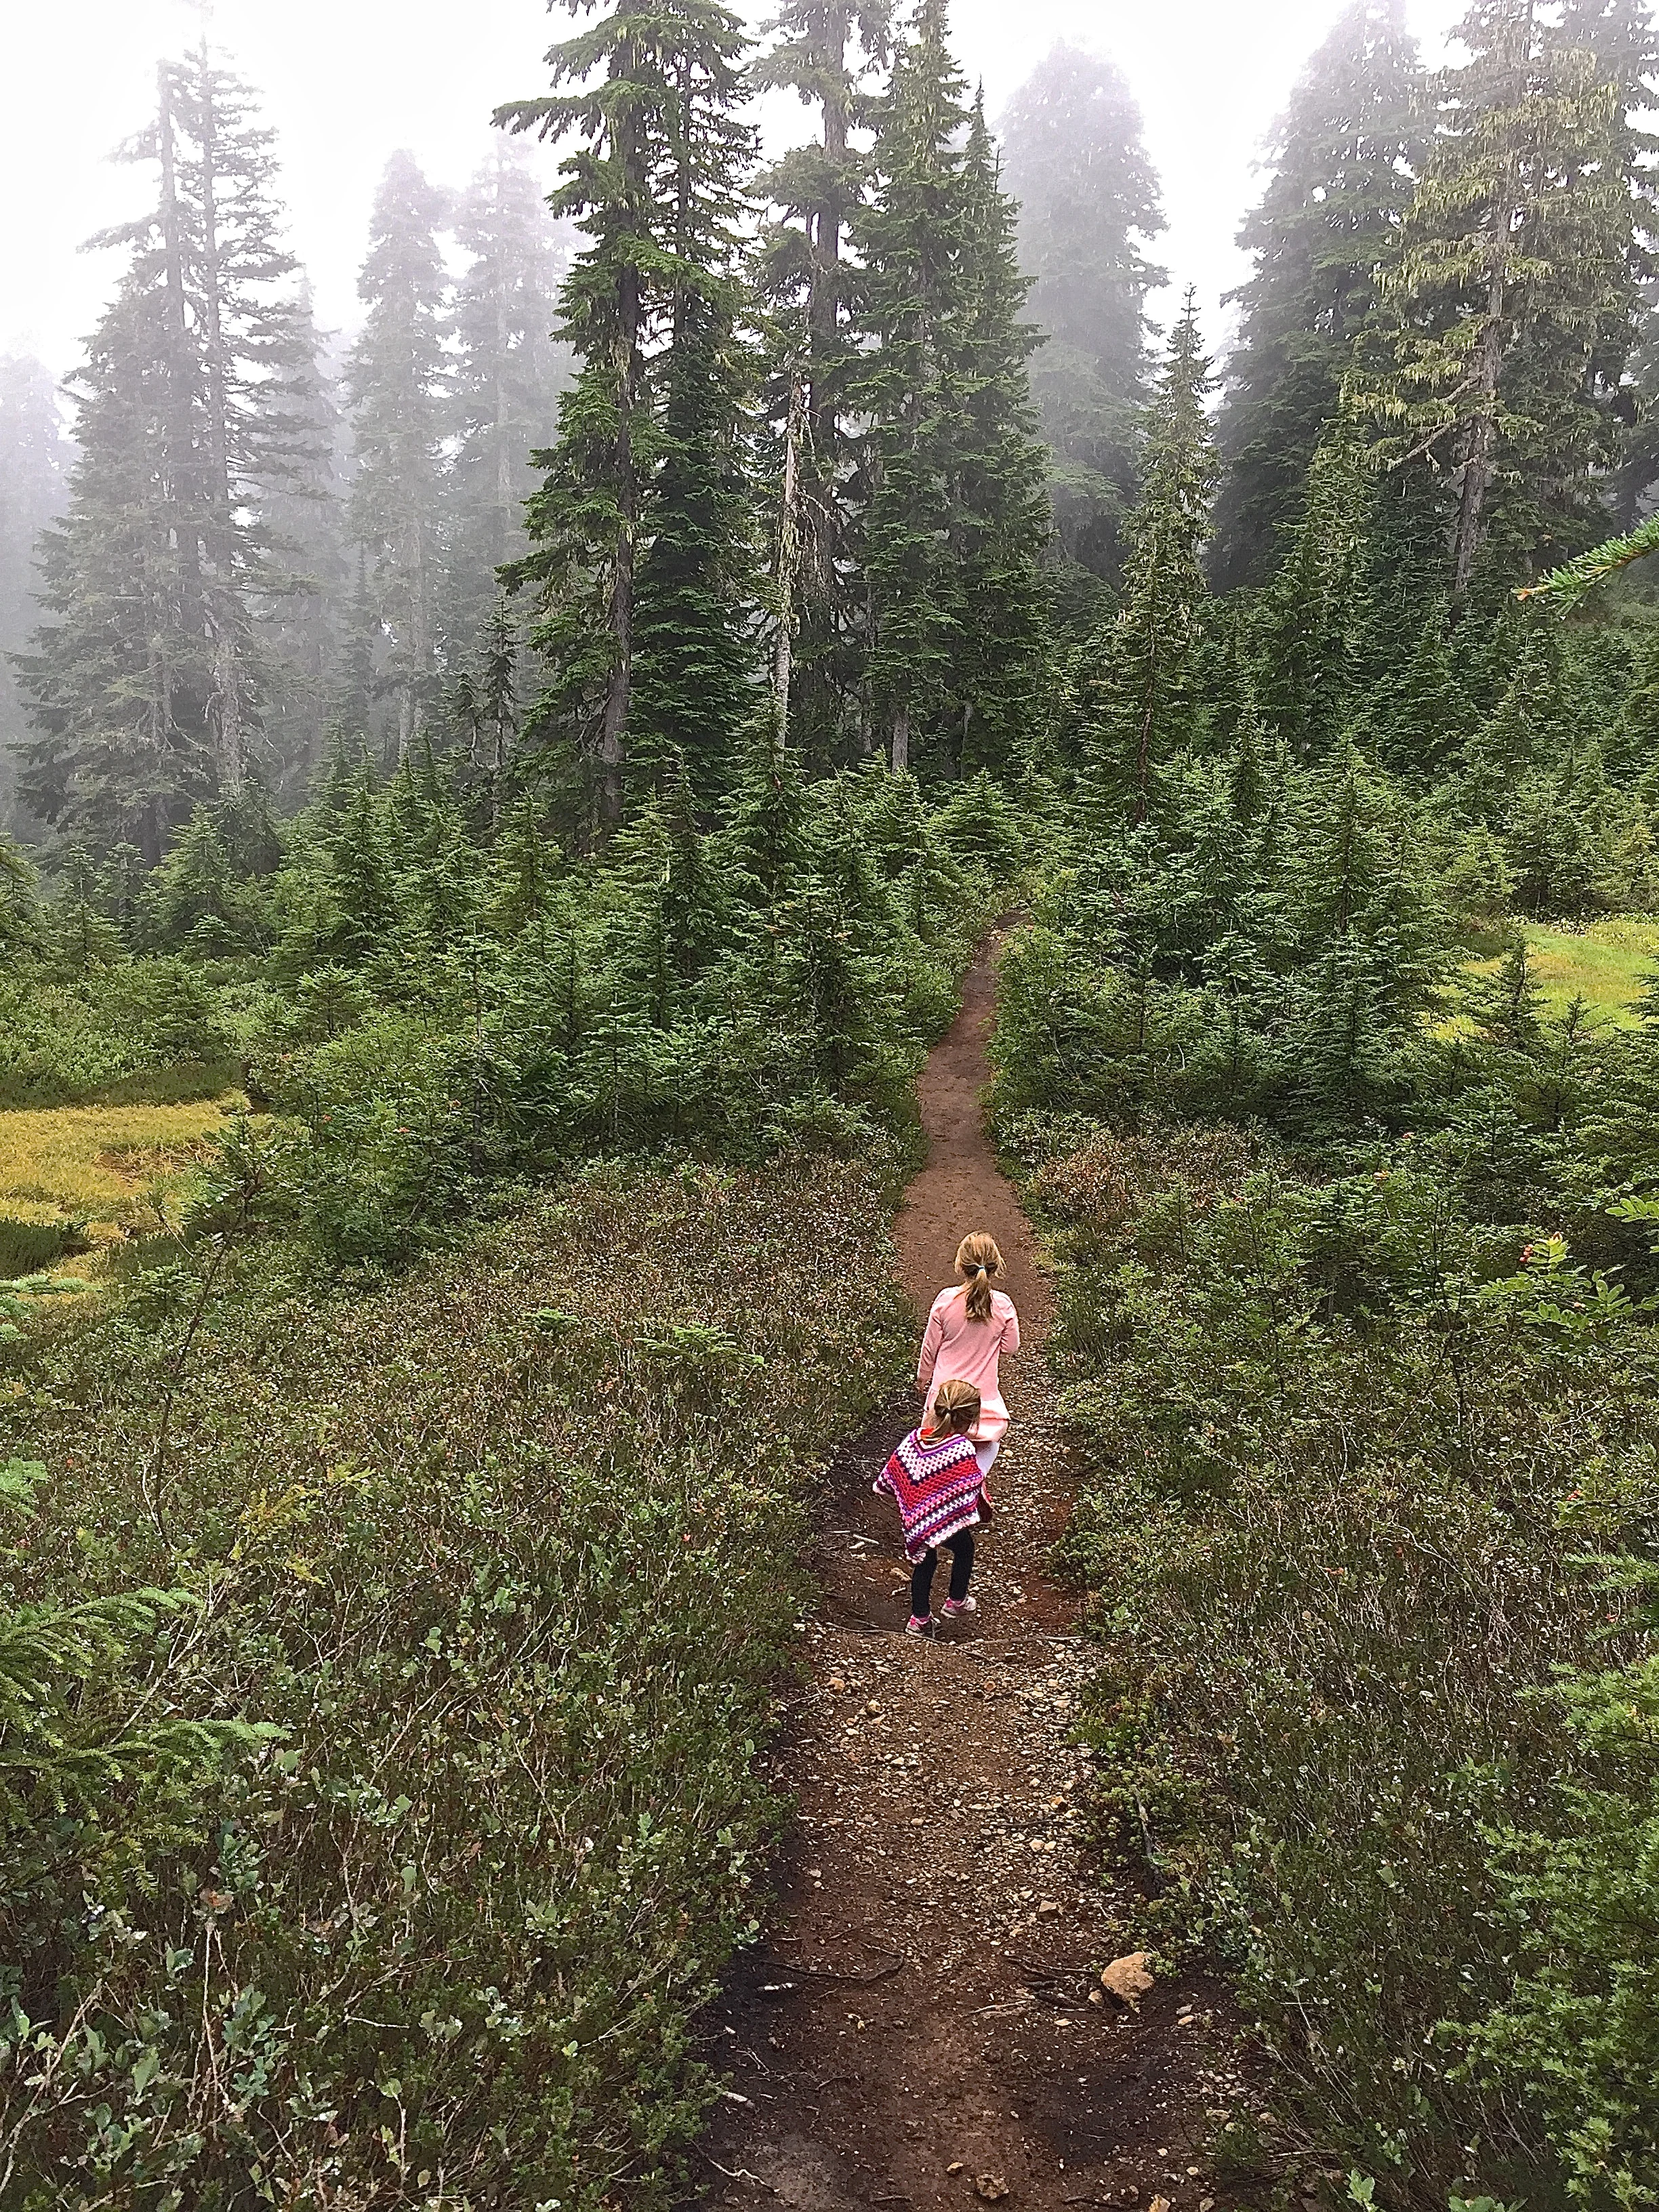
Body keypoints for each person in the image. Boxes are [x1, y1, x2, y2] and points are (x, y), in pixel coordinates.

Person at [874, 1377, 992, 1637]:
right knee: (965, 1547)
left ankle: (919, 1620)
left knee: (925, 1564)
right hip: (943, 1519)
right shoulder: (961, 1448)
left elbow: (896, 1473)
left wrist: (917, 1508)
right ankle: (956, 1601)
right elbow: (971, 1485)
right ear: (970, 1420)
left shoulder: (915, 1438)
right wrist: (972, 1509)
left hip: (916, 1521)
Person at [916, 1232, 1019, 1479]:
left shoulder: (945, 1300)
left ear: (960, 1265)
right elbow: (1011, 1347)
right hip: (983, 1407)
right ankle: (973, 1482)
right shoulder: (1003, 1305)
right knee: (988, 1444)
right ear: (996, 1265)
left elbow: (930, 1347)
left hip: (945, 1398)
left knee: (934, 1448)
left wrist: (923, 1377)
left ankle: (938, 1493)